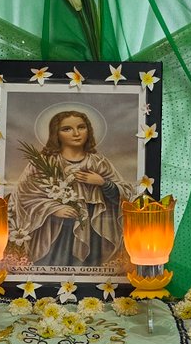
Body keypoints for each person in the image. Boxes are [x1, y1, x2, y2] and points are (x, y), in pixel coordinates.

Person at [12, 109, 133, 267]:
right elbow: (24, 195)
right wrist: (54, 208)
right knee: (56, 263)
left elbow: (125, 194)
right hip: (56, 228)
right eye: (67, 129)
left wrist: (103, 183)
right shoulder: (44, 163)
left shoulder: (98, 163)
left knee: (91, 265)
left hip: (93, 228)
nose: (76, 133)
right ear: (56, 133)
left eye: (81, 127)